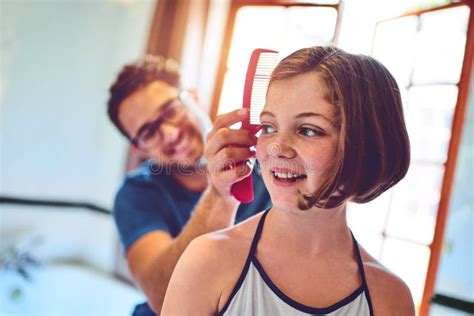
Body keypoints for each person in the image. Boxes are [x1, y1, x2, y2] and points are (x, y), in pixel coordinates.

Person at [161, 46, 416, 315]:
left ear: (367, 146)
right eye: (269, 127)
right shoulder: (208, 260)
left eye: (308, 130)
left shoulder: (390, 298)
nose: (275, 148)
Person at [107, 55, 271, 315]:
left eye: (171, 110)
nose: (170, 134)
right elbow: (164, 297)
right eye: (149, 132)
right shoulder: (137, 194)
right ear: (140, 149)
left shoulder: (269, 167)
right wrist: (220, 193)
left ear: (194, 98)